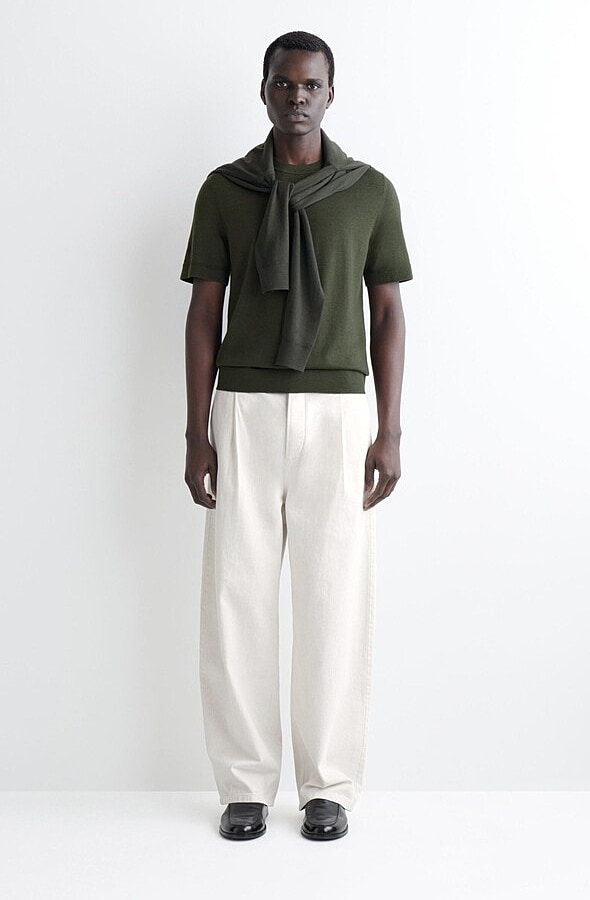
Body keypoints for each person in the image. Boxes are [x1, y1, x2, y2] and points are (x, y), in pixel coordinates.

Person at [180, 30, 413, 841]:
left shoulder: (369, 192)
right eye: (284, 84)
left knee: (334, 598)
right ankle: (245, 784)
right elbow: (203, 314)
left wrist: (389, 429)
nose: (297, 97)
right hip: (243, 407)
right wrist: (195, 432)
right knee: (236, 595)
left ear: (331, 94)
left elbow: (388, 311)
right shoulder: (226, 190)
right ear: (264, 90)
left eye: (311, 85)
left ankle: (329, 788)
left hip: (339, 413)